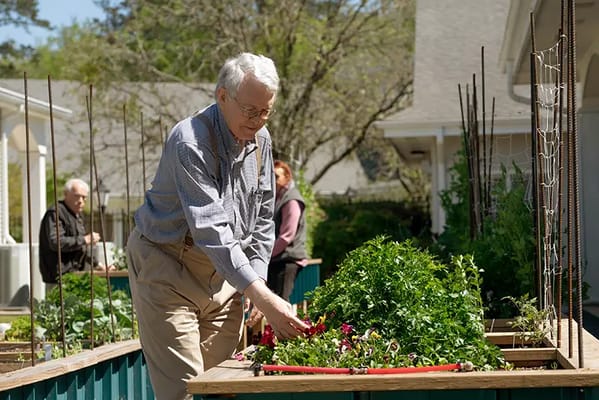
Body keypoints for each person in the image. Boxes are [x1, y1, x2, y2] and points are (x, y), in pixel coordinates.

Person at [126, 52, 308, 400]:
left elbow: (262, 220)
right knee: (186, 392)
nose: (257, 121)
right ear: (222, 96)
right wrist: (262, 296)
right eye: (250, 111)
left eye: (266, 111)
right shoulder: (190, 140)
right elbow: (210, 228)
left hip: (225, 277)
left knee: (223, 388)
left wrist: (256, 283)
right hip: (168, 268)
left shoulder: (262, 141)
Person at [38, 178, 106, 284]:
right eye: (76, 196)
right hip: (58, 278)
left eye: (84, 197)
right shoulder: (56, 212)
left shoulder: (77, 216)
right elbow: (56, 242)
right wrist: (84, 239)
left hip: (74, 275)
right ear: (66, 194)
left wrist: (98, 265)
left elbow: (80, 248)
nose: (80, 201)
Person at [267, 160, 308, 301]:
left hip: (287, 260)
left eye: (276, 177)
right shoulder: (278, 198)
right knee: (274, 303)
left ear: (287, 177)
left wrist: (266, 255)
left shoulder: (291, 200)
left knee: (281, 303)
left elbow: (287, 236)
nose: (273, 181)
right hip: (280, 259)